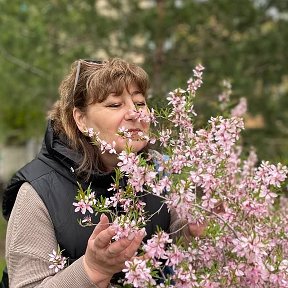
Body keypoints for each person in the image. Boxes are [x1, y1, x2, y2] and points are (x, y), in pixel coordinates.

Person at [2, 58, 206, 288]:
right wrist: (93, 269)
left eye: (139, 102)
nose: (135, 114)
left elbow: (169, 237)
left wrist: (192, 229)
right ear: (80, 119)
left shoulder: (158, 170)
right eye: (114, 105)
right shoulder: (37, 192)